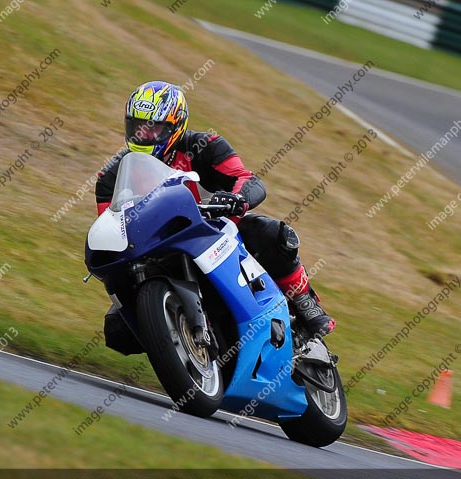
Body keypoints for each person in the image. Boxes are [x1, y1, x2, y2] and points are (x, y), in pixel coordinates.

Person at [95, 81, 335, 337]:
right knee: (118, 330)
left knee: (271, 234)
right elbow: (112, 224)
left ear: (175, 126)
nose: (144, 134)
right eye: (137, 126)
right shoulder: (111, 175)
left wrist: (237, 198)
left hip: (216, 228)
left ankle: (304, 300)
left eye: (154, 128)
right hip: (157, 246)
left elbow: (248, 179)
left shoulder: (206, 145)